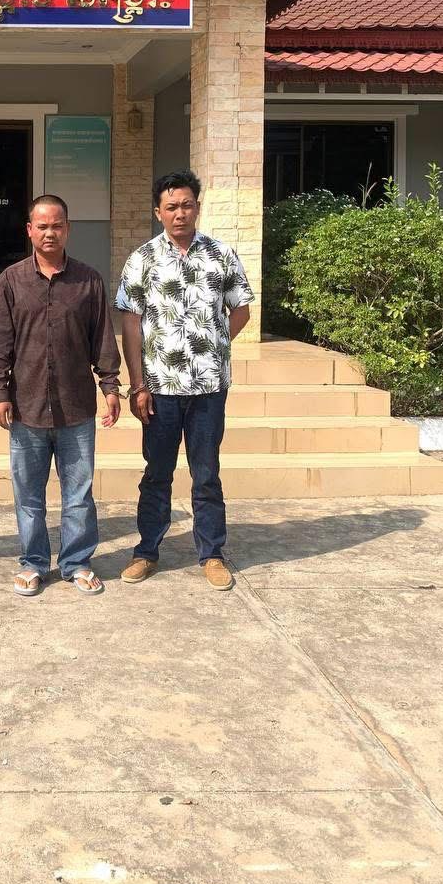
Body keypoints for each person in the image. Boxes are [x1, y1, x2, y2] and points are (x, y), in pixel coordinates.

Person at [116, 169, 255, 591]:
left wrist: (215, 343)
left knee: (207, 473)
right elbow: (131, 323)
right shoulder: (142, 259)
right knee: (157, 473)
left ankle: (211, 554)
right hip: (159, 389)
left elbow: (241, 308)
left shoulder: (221, 254)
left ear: (197, 207)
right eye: (171, 206)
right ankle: (146, 551)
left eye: (187, 205)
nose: (180, 213)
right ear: (158, 212)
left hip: (209, 388)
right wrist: (137, 384)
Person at [0, 195, 121, 597]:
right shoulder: (11, 280)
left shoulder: (88, 281)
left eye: (57, 225)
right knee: (28, 496)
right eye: (42, 226)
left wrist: (110, 386)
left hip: (75, 406)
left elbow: (102, 338)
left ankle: (76, 562)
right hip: (26, 407)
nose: (50, 233)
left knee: (78, 495)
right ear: (29, 230)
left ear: (68, 229)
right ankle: (33, 563)